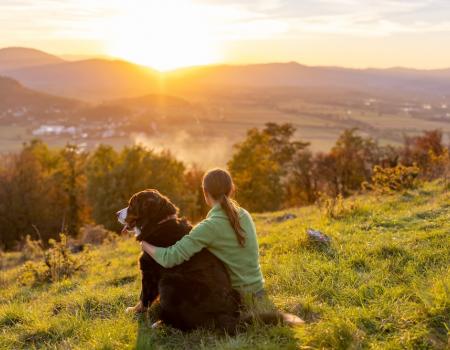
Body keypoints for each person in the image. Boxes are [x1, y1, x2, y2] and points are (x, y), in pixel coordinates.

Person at [140, 168, 265, 298]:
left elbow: (169, 258)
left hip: (237, 296)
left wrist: (145, 244)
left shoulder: (208, 227)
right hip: (259, 289)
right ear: (231, 189)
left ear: (205, 192)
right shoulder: (244, 214)